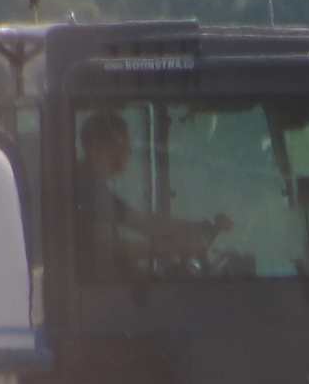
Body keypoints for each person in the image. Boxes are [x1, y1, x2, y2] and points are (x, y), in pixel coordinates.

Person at [76, 110, 231, 274]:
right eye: (122, 142)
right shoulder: (86, 187)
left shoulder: (93, 185)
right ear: (99, 147)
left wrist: (204, 227)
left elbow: (146, 223)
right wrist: (173, 246)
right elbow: (108, 246)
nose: (129, 149)